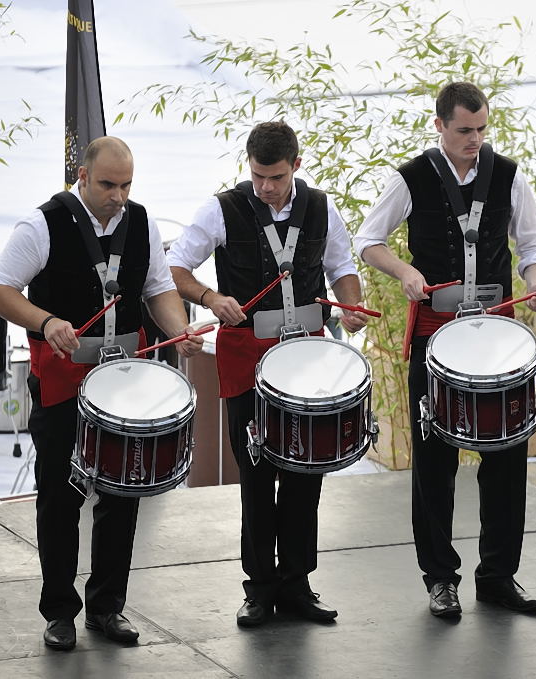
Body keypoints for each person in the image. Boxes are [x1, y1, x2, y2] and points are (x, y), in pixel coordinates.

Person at [0, 137, 204, 651]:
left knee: (123, 492)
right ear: (82, 176)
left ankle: (107, 607)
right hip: (63, 380)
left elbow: (158, 288)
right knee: (60, 498)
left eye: (126, 185)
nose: (118, 196)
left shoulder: (142, 222)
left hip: (124, 380)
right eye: (107, 184)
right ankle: (59, 611)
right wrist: (46, 321)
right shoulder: (42, 224)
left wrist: (180, 329)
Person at [355, 82, 536, 618]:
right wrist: (404, 271)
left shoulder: (509, 175)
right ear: (440, 125)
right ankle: (440, 579)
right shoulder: (411, 177)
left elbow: (534, 245)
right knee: (434, 460)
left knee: (507, 456)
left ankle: (498, 576)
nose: (475, 139)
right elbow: (368, 241)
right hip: (436, 334)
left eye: (482, 129)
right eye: (465, 130)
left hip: (497, 338)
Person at [167, 121, 369, 628]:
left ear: (296, 166)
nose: (265, 187)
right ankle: (258, 588)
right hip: (246, 358)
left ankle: (297, 583)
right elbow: (174, 269)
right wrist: (210, 298)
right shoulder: (222, 209)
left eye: (276, 177)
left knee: (306, 470)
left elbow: (342, 268)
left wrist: (351, 305)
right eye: (258, 176)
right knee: (255, 474)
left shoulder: (320, 208)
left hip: (307, 358)